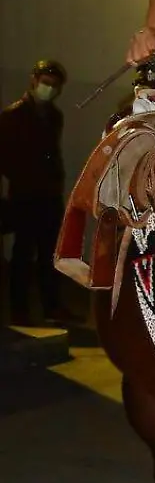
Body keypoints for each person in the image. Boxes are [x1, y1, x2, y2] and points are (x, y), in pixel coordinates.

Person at [0, 60, 72, 326]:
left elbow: (52, 154)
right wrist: (23, 180)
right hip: (25, 194)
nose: (48, 88)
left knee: (50, 254)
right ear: (34, 80)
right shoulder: (13, 115)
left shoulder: (54, 116)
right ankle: (19, 310)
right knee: (22, 254)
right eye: (45, 82)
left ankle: (52, 306)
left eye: (54, 85)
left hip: (49, 195)